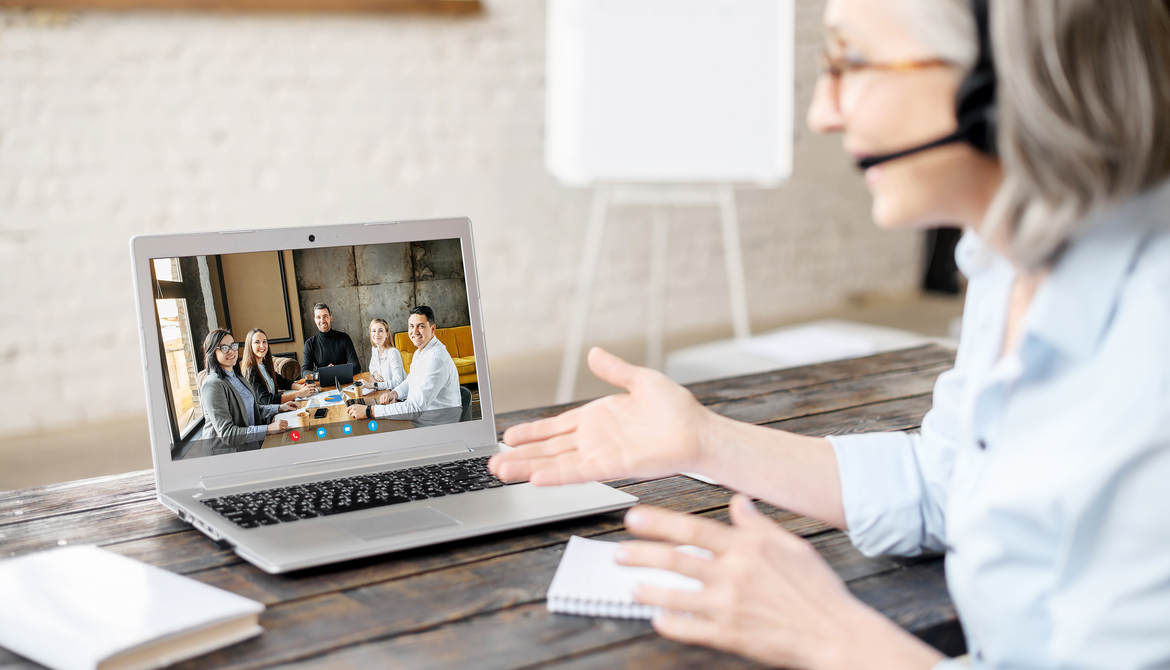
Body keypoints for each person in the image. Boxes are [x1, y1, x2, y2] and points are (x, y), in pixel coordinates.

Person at [489, 1, 1170, 668]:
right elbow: (951, 484)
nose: (822, 113)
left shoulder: (1149, 358)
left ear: (1001, 82)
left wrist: (833, 640)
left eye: (851, 60)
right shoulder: (1011, 264)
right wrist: (703, 440)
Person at [347, 306, 461, 427]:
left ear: (432, 329)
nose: (415, 331)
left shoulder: (435, 359)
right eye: (411, 326)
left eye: (421, 326)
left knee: (370, 429)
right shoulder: (420, 351)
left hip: (436, 425)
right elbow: (410, 381)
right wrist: (394, 394)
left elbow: (415, 408)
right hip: (422, 417)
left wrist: (370, 411)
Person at [200, 329, 297, 452]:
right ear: (212, 352)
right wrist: (268, 429)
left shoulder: (237, 376)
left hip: (251, 445)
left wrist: (279, 408)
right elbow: (228, 434)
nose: (231, 351)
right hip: (227, 455)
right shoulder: (213, 385)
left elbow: (251, 409)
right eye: (224, 348)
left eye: (233, 346)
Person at [240, 328, 319, 406]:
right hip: (267, 416)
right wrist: (299, 393)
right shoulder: (250, 371)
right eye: (257, 342)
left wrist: (301, 387)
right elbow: (267, 400)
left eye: (264, 341)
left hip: (276, 409)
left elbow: (282, 382)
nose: (262, 345)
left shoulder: (263, 365)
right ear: (250, 345)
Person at [302, 303, 361, 373]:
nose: (322, 320)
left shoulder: (344, 338)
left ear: (331, 318)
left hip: (343, 380)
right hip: (321, 382)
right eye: (318, 317)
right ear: (315, 320)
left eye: (325, 316)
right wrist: (324, 373)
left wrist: (335, 370)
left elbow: (356, 366)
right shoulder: (310, 343)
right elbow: (304, 372)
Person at [367, 318, 406, 392]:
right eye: (374, 331)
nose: (376, 334)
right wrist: (375, 373)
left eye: (381, 330)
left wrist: (373, 385)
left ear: (387, 334)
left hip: (399, 397)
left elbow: (398, 382)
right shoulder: (374, 349)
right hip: (385, 392)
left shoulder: (393, 352)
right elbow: (371, 366)